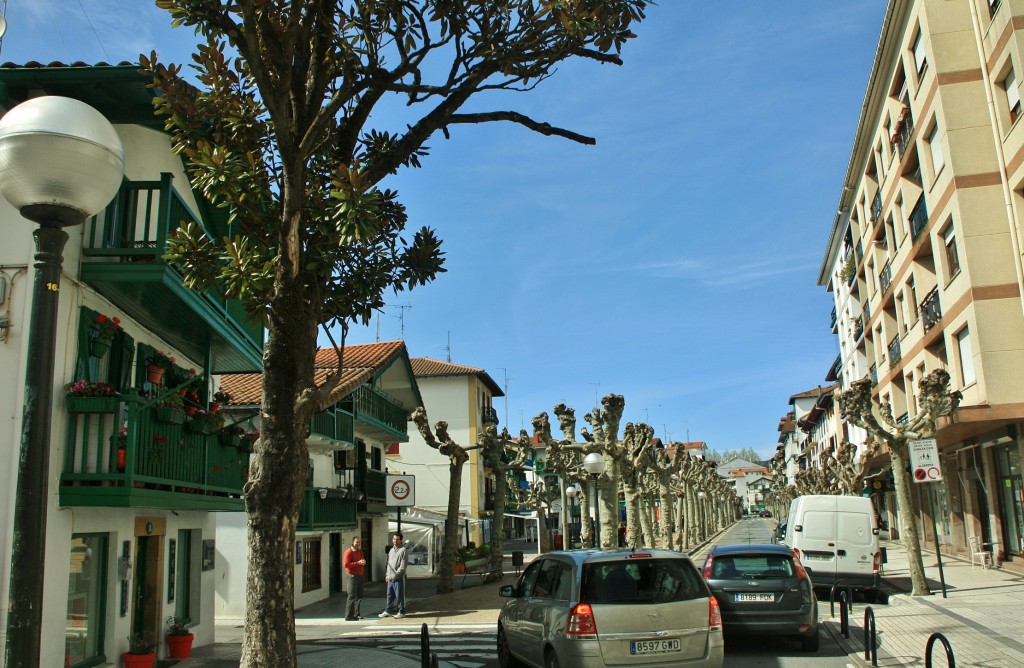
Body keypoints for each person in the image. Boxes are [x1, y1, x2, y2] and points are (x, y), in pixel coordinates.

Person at [379, 532, 407, 619]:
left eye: (397, 539)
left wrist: (396, 575)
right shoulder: (391, 550)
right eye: (394, 539)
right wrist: (387, 574)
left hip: (398, 578)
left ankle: (401, 611)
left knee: (399, 595)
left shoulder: (403, 550)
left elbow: (403, 566)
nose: (395, 541)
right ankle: (388, 610)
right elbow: (389, 564)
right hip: (390, 577)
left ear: (401, 540)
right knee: (390, 595)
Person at [343, 536, 366, 621]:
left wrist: (363, 562)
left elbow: (362, 559)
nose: (358, 544)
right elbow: (346, 565)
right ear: (353, 542)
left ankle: (356, 614)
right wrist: (358, 563)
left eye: (359, 542)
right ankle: (348, 616)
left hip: (360, 575)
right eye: (357, 542)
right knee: (352, 596)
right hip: (352, 576)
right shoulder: (349, 551)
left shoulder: (360, 551)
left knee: (359, 596)